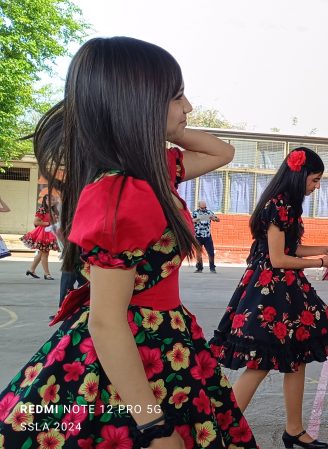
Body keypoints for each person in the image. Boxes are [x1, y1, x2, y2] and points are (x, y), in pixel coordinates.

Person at [0, 36, 257, 448]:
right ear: (137, 103)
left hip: (161, 339)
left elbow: (221, 152)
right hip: (134, 355)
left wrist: (161, 124)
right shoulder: (124, 195)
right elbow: (106, 321)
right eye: (176, 97)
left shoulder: (149, 176)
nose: (188, 107)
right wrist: (153, 425)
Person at [211, 147, 328, 449]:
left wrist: (323, 249)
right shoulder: (280, 205)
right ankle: (222, 430)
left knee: (297, 358)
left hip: (281, 290)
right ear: (299, 176)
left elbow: (291, 248)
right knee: (259, 363)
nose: (316, 186)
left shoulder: (285, 204)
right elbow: (278, 259)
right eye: (315, 180)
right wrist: (322, 263)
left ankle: (294, 430)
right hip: (270, 292)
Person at [21, 194, 59, 280]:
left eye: (53, 200)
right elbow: (36, 222)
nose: (51, 202)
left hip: (50, 233)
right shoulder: (42, 210)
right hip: (43, 234)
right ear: (45, 201)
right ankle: (47, 274)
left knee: (42, 253)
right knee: (45, 254)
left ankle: (31, 270)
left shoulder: (54, 210)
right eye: (49, 200)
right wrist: (48, 223)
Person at [192, 200, 220, 273]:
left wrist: (214, 219)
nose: (204, 209)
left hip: (207, 236)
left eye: (205, 208)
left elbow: (218, 219)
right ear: (199, 207)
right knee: (198, 253)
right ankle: (199, 268)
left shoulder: (209, 212)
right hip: (198, 236)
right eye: (202, 208)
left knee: (211, 252)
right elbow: (190, 220)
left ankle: (212, 268)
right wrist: (196, 219)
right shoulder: (195, 213)